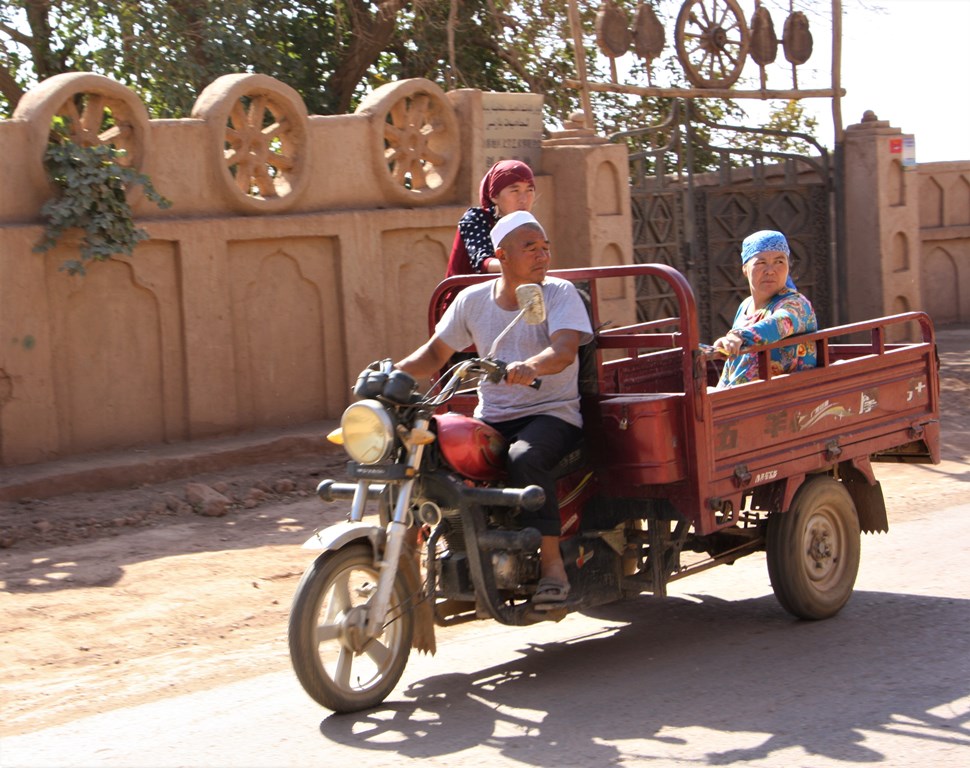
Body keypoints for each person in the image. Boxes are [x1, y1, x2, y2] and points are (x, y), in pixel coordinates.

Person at [397, 210, 593, 609]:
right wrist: (390, 374)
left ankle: (553, 567)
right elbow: (436, 352)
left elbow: (563, 350)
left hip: (551, 413)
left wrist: (530, 366)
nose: (542, 256)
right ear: (501, 255)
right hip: (495, 416)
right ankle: (444, 559)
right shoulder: (472, 301)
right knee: (432, 453)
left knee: (524, 457)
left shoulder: (558, 293)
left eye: (545, 248)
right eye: (530, 248)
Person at [712, 230, 817, 388]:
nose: (770, 270)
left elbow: (779, 323)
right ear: (745, 269)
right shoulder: (745, 306)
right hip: (739, 397)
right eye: (761, 263)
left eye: (779, 262)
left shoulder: (796, 304)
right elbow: (734, 365)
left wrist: (740, 336)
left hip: (777, 398)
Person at [445, 160, 536, 277]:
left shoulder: (529, 226)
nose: (523, 199)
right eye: (515, 191)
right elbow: (482, 261)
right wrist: (518, 265)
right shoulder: (476, 219)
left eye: (529, 190)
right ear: (494, 196)